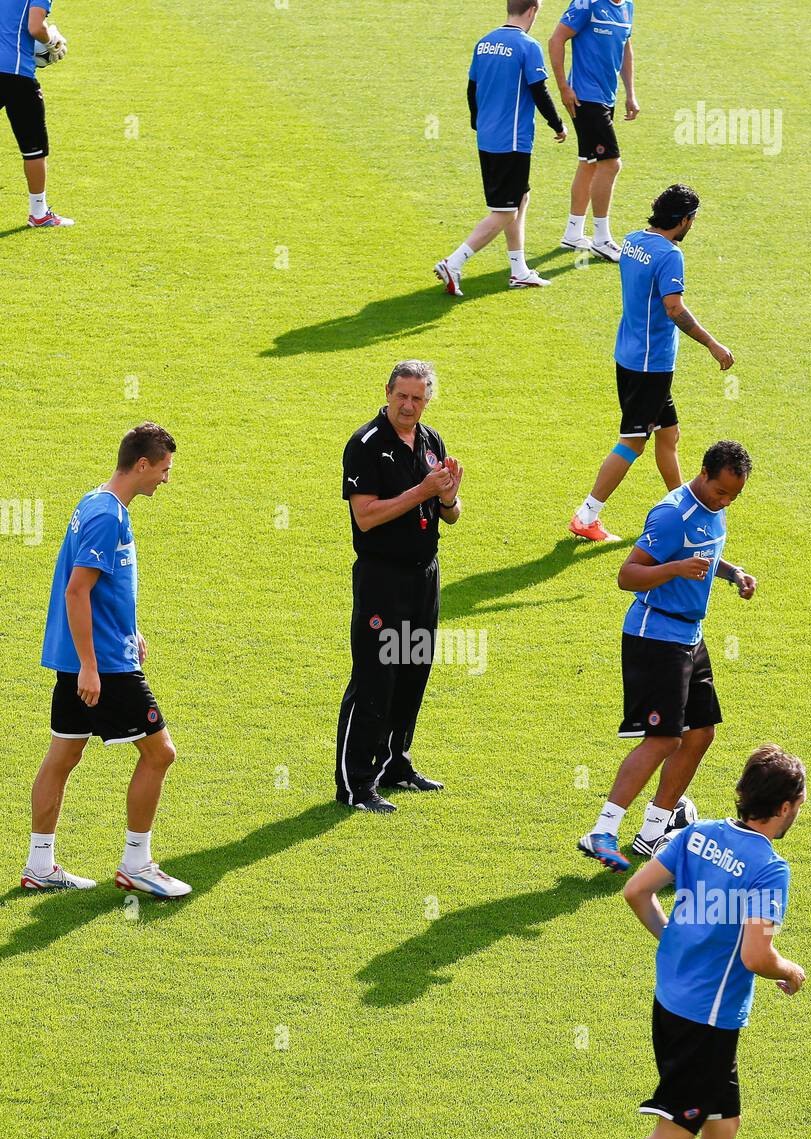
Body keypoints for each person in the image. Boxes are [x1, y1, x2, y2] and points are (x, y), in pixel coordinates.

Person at [535, 744, 807, 1139]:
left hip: (674, 999)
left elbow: (637, 891)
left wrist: (675, 939)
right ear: (785, 808)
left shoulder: (698, 833)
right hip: (705, 1021)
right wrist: (789, 970)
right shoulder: (768, 869)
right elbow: (757, 956)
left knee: (721, 1126)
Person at [22, 424, 191, 899]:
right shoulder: (107, 516)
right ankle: (137, 863)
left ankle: (39, 865)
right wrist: (93, 666)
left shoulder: (94, 501)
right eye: (163, 469)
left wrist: (130, 629)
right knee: (160, 754)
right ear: (142, 465)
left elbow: (104, 587)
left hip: (85, 656)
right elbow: (78, 590)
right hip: (105, 668)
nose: (165, 479)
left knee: (64, 753)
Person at [579, 441, 755, 870]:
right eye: (721, 493)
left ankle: (653, 831)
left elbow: (706, 555)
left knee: (701, 733)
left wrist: (732, 573)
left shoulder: (714, 508)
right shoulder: (673, 514)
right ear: (705, 474)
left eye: (734, 495)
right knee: (664, 738)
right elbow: (627, 575)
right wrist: (675, 568)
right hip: (655, 634)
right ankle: (602, 830)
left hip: (689, 635)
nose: (725, 501)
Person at [568, 185, 734, 543]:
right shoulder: (670, 255)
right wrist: (713, 344)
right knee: (632, 441)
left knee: (668, 434)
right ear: (684, 220)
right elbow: (673, 308)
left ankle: (684, 510)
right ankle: (586, 515)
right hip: (650, 364)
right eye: (693, 220)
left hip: (628, 353)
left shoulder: (633, 240)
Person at [336, 362, 462, 812]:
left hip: (424, 574)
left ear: (428, 400)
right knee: (375, 678)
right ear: (387, 393)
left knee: (412, 672)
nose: (409, 405)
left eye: (418, 398)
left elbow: (450, 513)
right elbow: (365, 517)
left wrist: (446, 496)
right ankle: (354, 786)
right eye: (402, 396)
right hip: (382, 579)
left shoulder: (430, 441)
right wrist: (422, 490)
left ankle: (395, 765)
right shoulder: (365, 445)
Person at [434, 0, 566, 298]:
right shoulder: (526, 45)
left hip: (488, 137)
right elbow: (539, 90)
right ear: (532, 10)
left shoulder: (484, 43)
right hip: (513, 140)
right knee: (505, 211)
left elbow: (472, 88)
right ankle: (453, 263)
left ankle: (519, 270)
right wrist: (558, 124)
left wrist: (477, 122)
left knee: (520, 198)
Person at [548, 0, 637, 261]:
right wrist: (564, 87)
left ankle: (573, 233)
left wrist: (630, 93)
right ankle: (601, 239)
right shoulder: (587, 3)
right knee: (611, 164)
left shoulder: (627, 7)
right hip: (585, 99)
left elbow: (625, 47)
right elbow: (556, 39)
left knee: (589, 163)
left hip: (606, 97)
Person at [0, 1, 72, 228]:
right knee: (34, 148)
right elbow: (35, 27)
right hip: (16, 73)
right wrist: (51, 42)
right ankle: (39, 212)